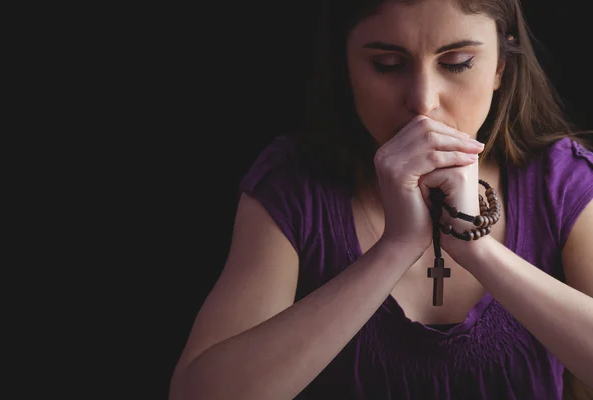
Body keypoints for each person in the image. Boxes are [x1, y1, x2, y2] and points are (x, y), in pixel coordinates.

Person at [170, 0, 593, 398]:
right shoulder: (292, 188)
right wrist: (396, 247)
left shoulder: (561, 181)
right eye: (387, 65)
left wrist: (474, 244)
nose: (423, 103)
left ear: (500, 67)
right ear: (347, 68)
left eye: (457, 63)